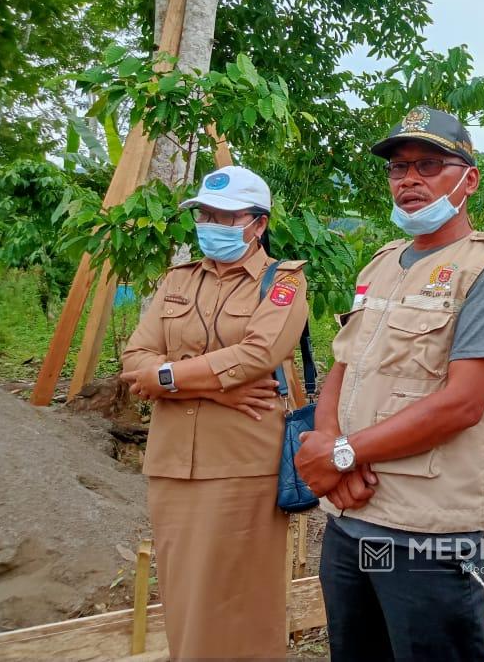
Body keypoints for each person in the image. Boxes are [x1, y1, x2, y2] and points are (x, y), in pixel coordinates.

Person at [294, 106, 484, 662]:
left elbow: (462, 403)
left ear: (469, 179)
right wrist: (331, 448)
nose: (409, 180)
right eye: (398, 168)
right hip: (350, 516)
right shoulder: (380, 264)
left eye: (430, 165)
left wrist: (340, 454)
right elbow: (343, 368)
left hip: (425, 532)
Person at [121, 165, 309, 660]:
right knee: (185, 598)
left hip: (243, 465)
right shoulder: (178, 281)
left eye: (226, 217)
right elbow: (134, 362)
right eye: (205, 214)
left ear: (258, 224)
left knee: (241, 597)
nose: (211, 224)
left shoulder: (282, 283)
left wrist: (168, 378)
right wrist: (216, 392)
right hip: (172, 465)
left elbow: (257, 355)